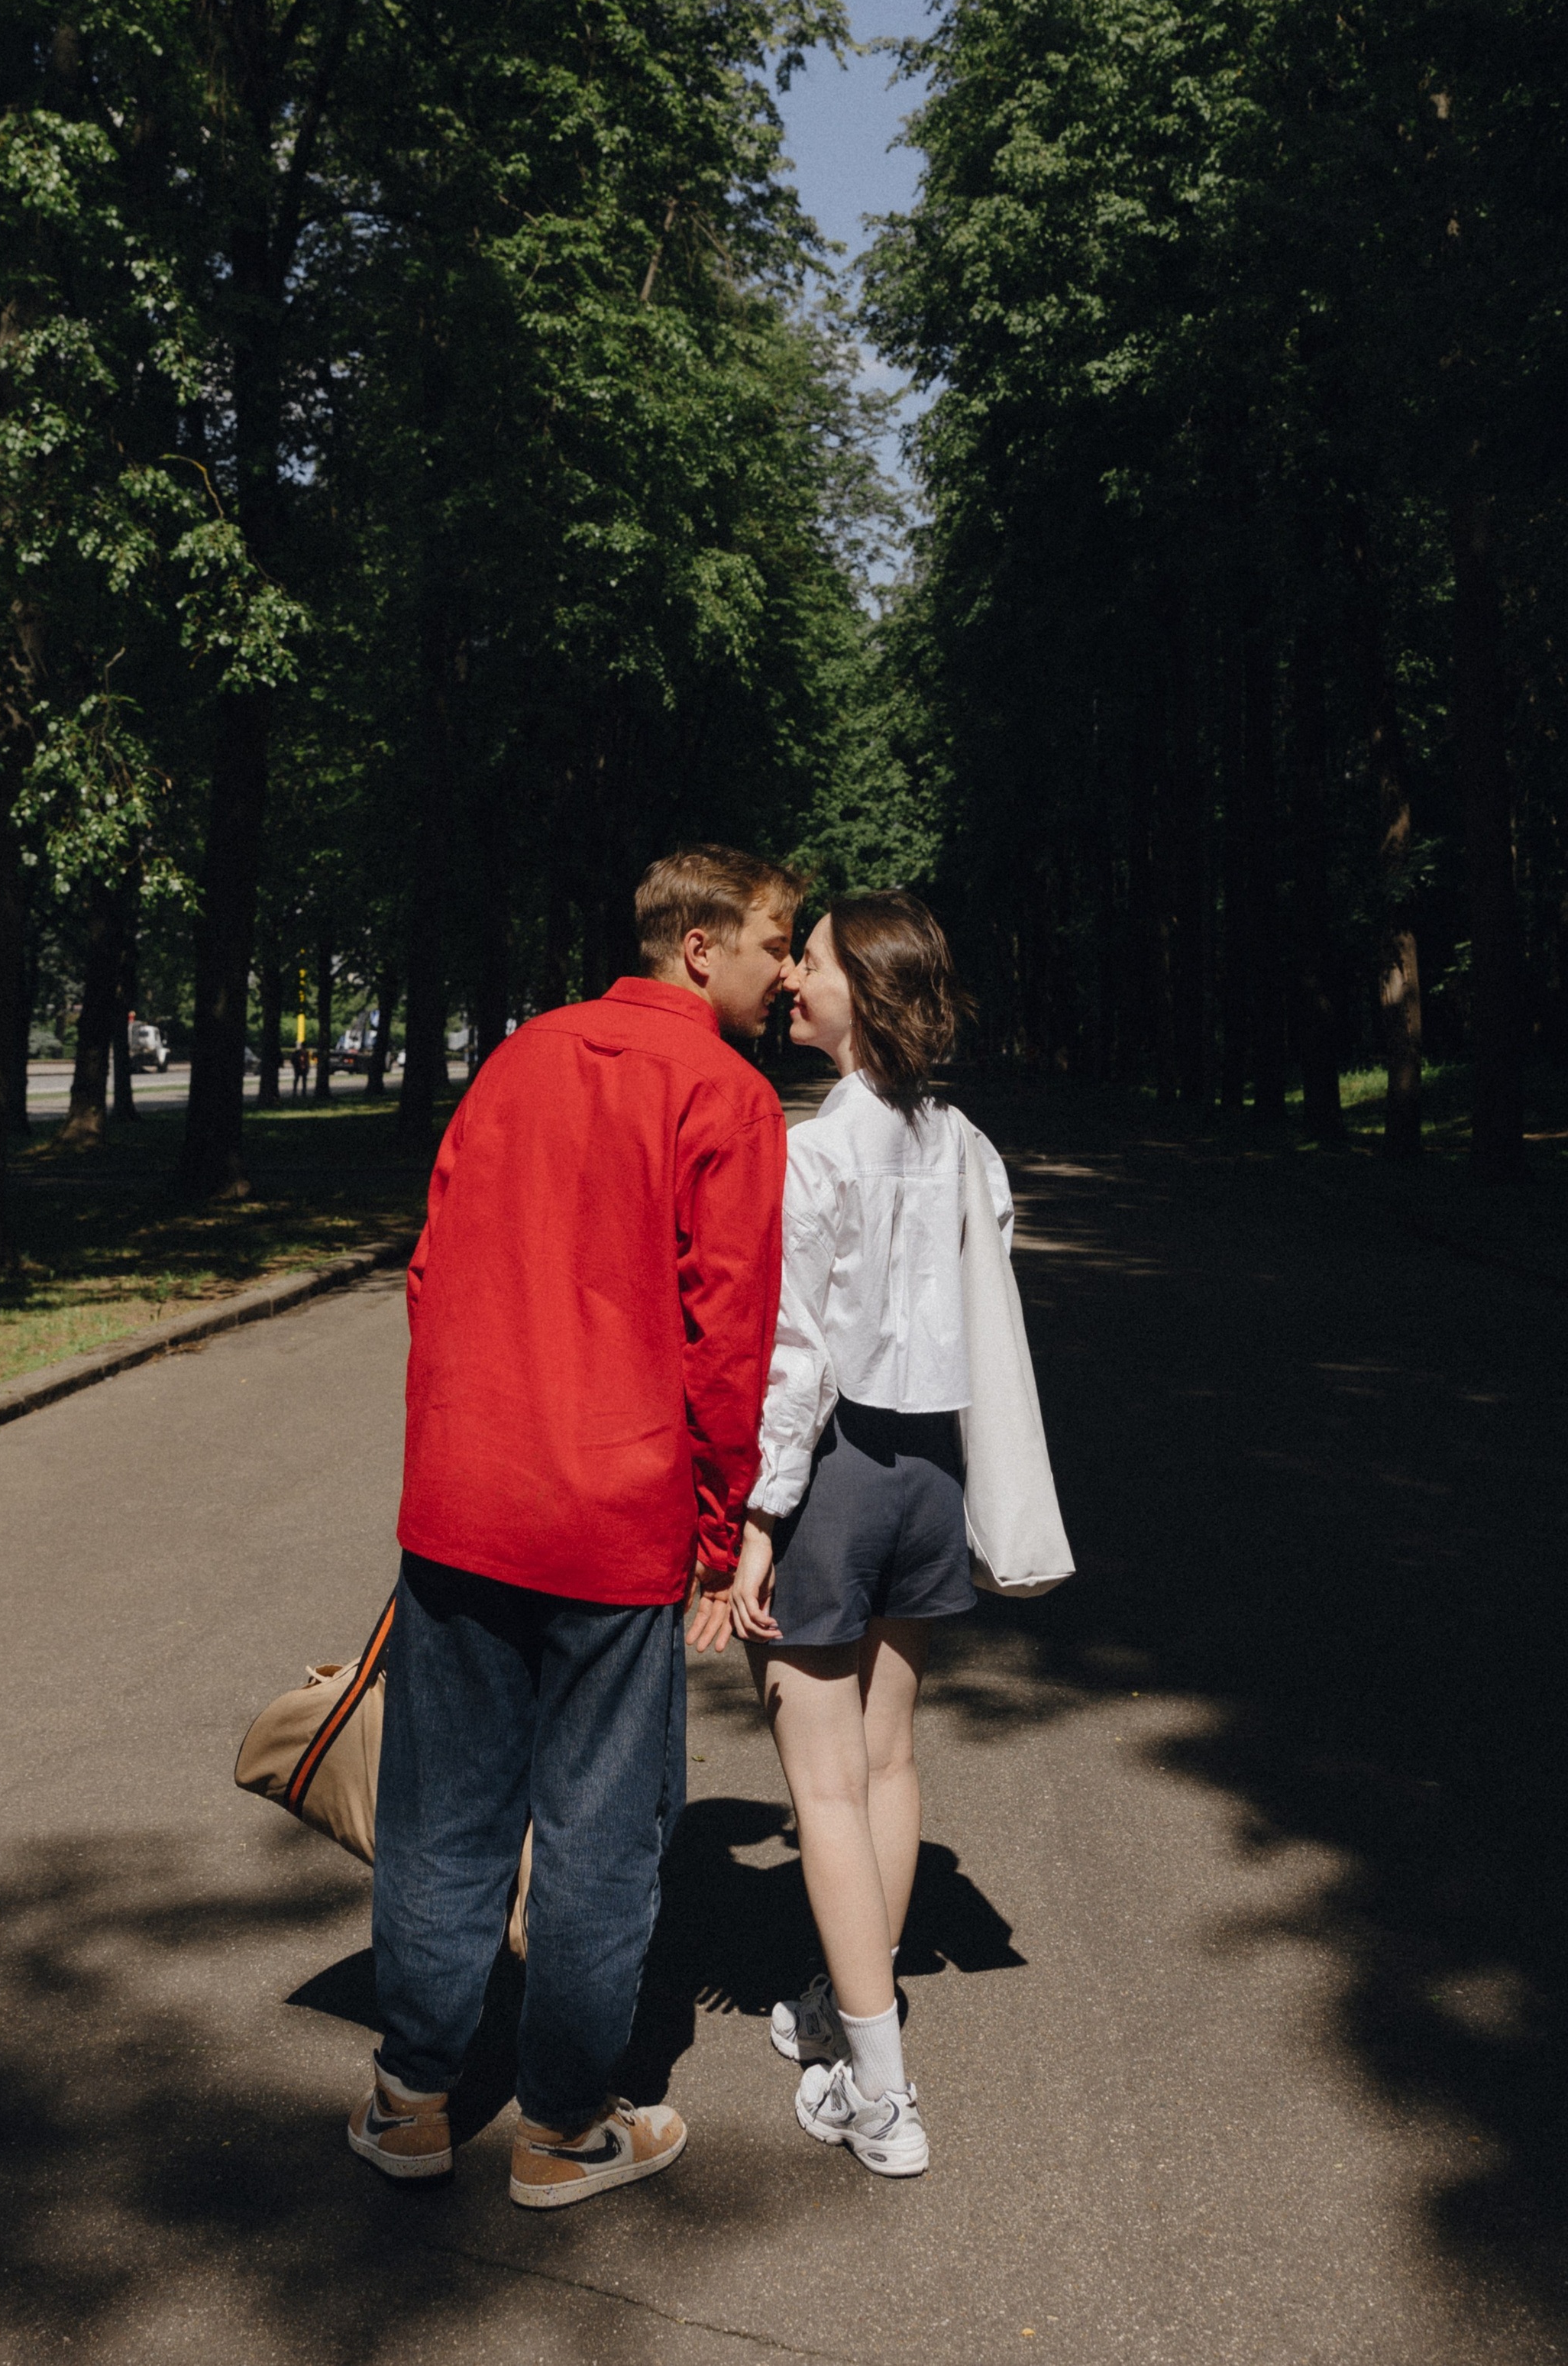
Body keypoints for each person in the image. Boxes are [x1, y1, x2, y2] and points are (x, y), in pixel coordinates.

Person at [352, 846, 798, 2206]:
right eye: (780, 941)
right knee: (601, 1826)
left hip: (467, 1501)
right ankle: (561, 2125)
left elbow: (429, 1267)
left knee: (443, 1811)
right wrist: (721, 1532)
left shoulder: (517, 1058)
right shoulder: (726, 1092)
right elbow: (731, 1340)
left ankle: (412, 2098)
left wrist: (464, 1437)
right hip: (616, 1513)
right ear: (703, 945)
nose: (789, 972)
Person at [730, 892, 1014, 2180]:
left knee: (824, 1785)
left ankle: (880, 2090)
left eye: (818, 960)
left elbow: (796, 1358)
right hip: (934, 1475)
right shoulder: (963, 1142)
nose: (793, 976)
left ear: (870, 991)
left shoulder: (817, 1149)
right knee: (888, 1763)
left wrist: (758, 1521)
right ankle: (844, 2009)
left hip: (841, 1473)